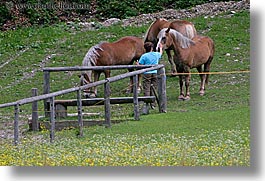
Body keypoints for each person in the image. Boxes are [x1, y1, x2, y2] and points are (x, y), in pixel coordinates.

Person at [138, 42, 163, 114]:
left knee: (147, 88)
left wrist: (137, 64)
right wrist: (160, 48)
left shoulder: (144, 56)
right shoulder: (156, 54)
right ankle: (153, 103)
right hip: (155, 73)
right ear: (152, 48)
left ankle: (147, 103)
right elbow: (160, 54)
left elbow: (140, 64)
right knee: (154, 88)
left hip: (146, 73)